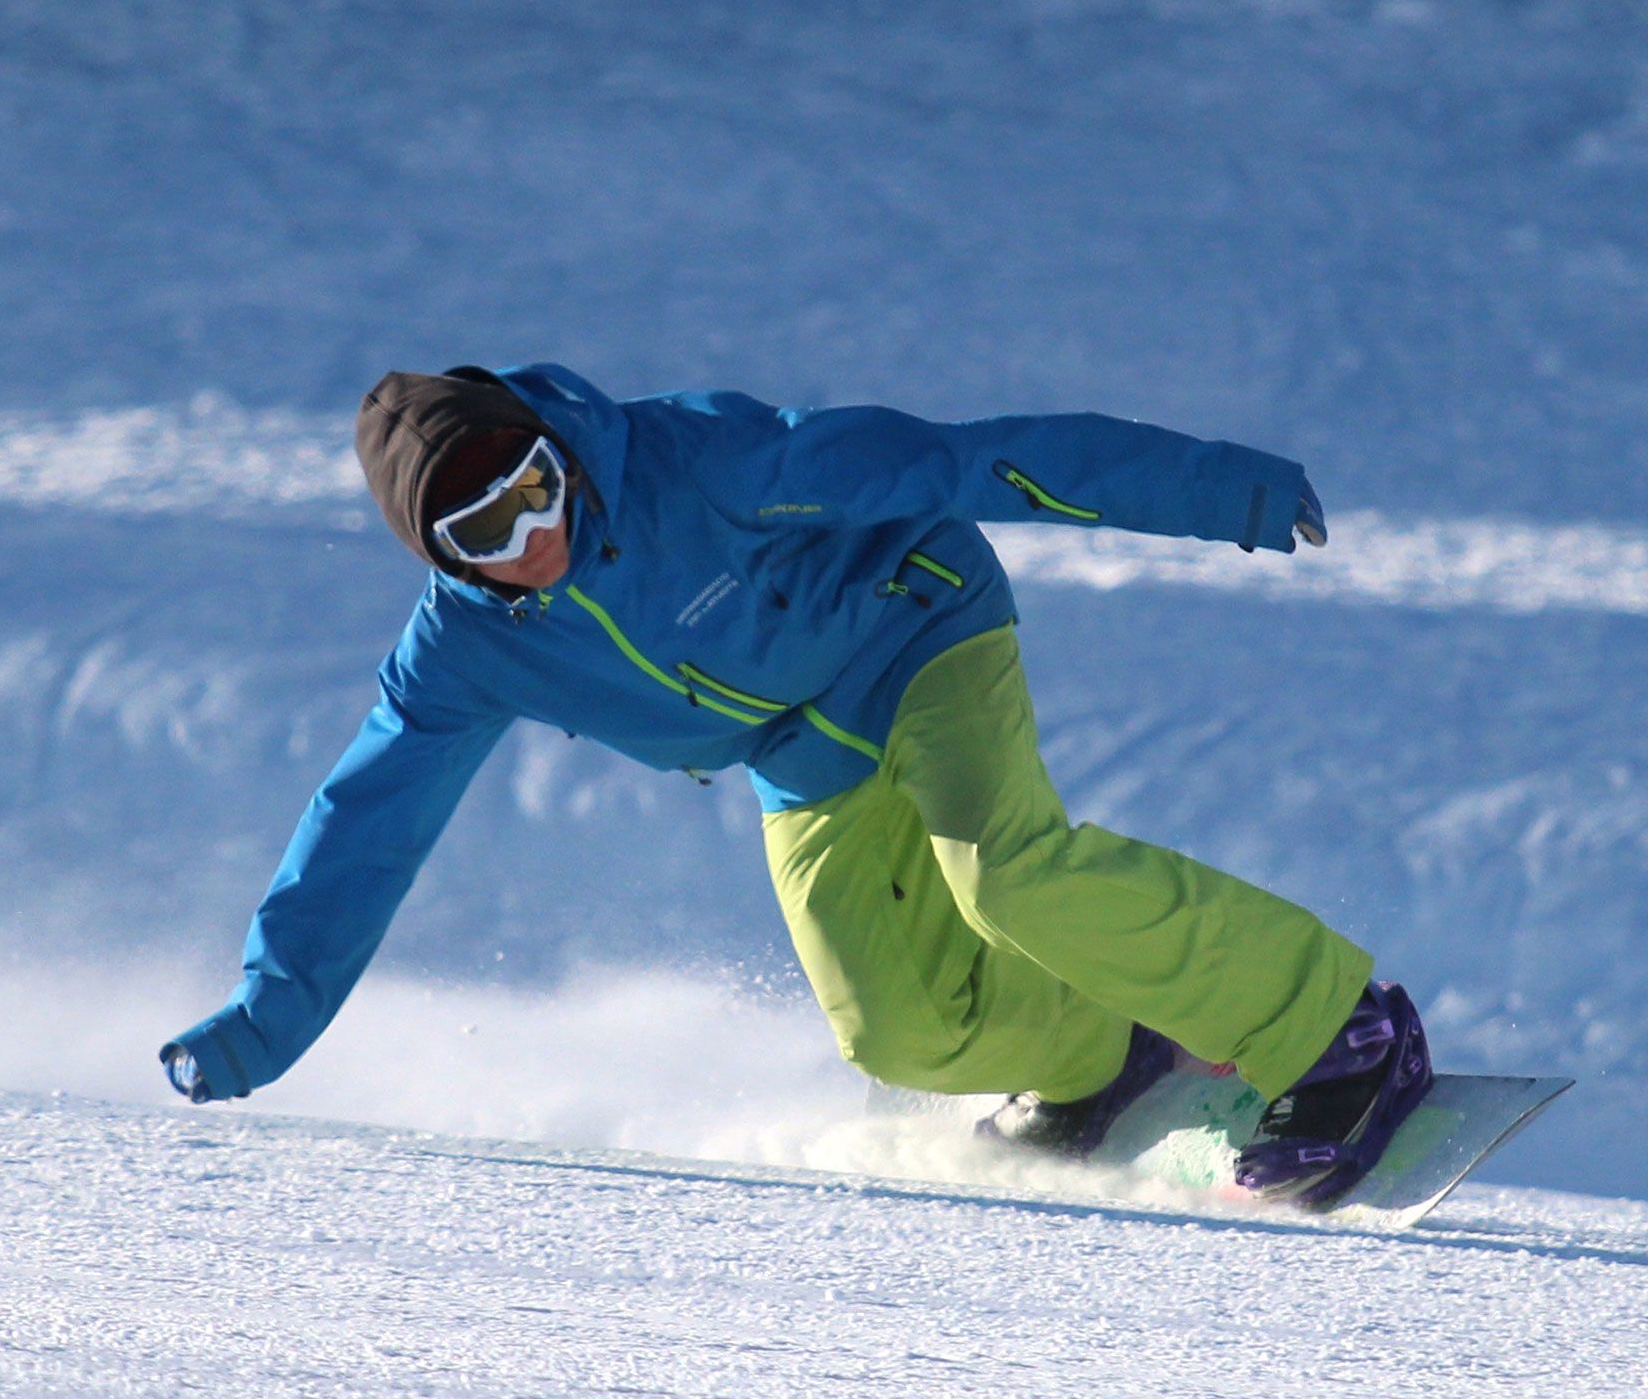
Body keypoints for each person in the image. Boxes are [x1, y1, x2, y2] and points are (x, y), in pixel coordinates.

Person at [159, 364, 1431, 1204]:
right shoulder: (466, 651)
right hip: (797, 746)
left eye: (535, 486)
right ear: (445, 560)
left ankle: (1337, 1029)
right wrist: (264, 1017)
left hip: (915, 631)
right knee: (894, 1028)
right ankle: (1096, 1053)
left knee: (1008, 873)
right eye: (488, 531)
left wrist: (1212, 489)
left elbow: (956, 459)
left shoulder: (704, 463)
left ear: (557, 455)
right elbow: (365, 824)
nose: (531, 532)